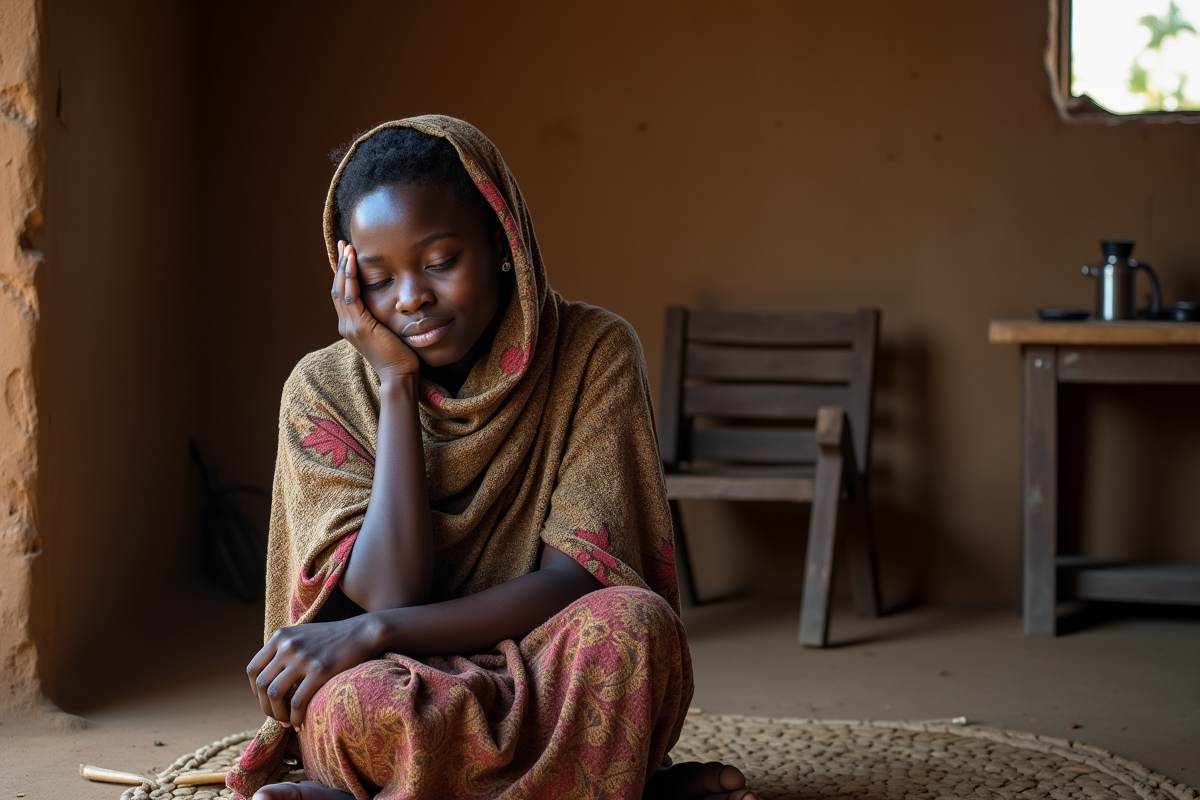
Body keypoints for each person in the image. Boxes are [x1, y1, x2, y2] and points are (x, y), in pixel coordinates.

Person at [229, 116, 756, 800]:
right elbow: (391, 587)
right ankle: (612, 788)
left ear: (503, 244)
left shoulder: (594, 352)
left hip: (542, 662)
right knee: (353, 711)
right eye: (379, 278)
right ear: (347, 282)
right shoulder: (322, 390)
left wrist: (373, 629)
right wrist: (395, 386)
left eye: (440, 262)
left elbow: (575, 580)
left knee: (636, 630)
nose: (411, 298)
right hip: (393, 677)